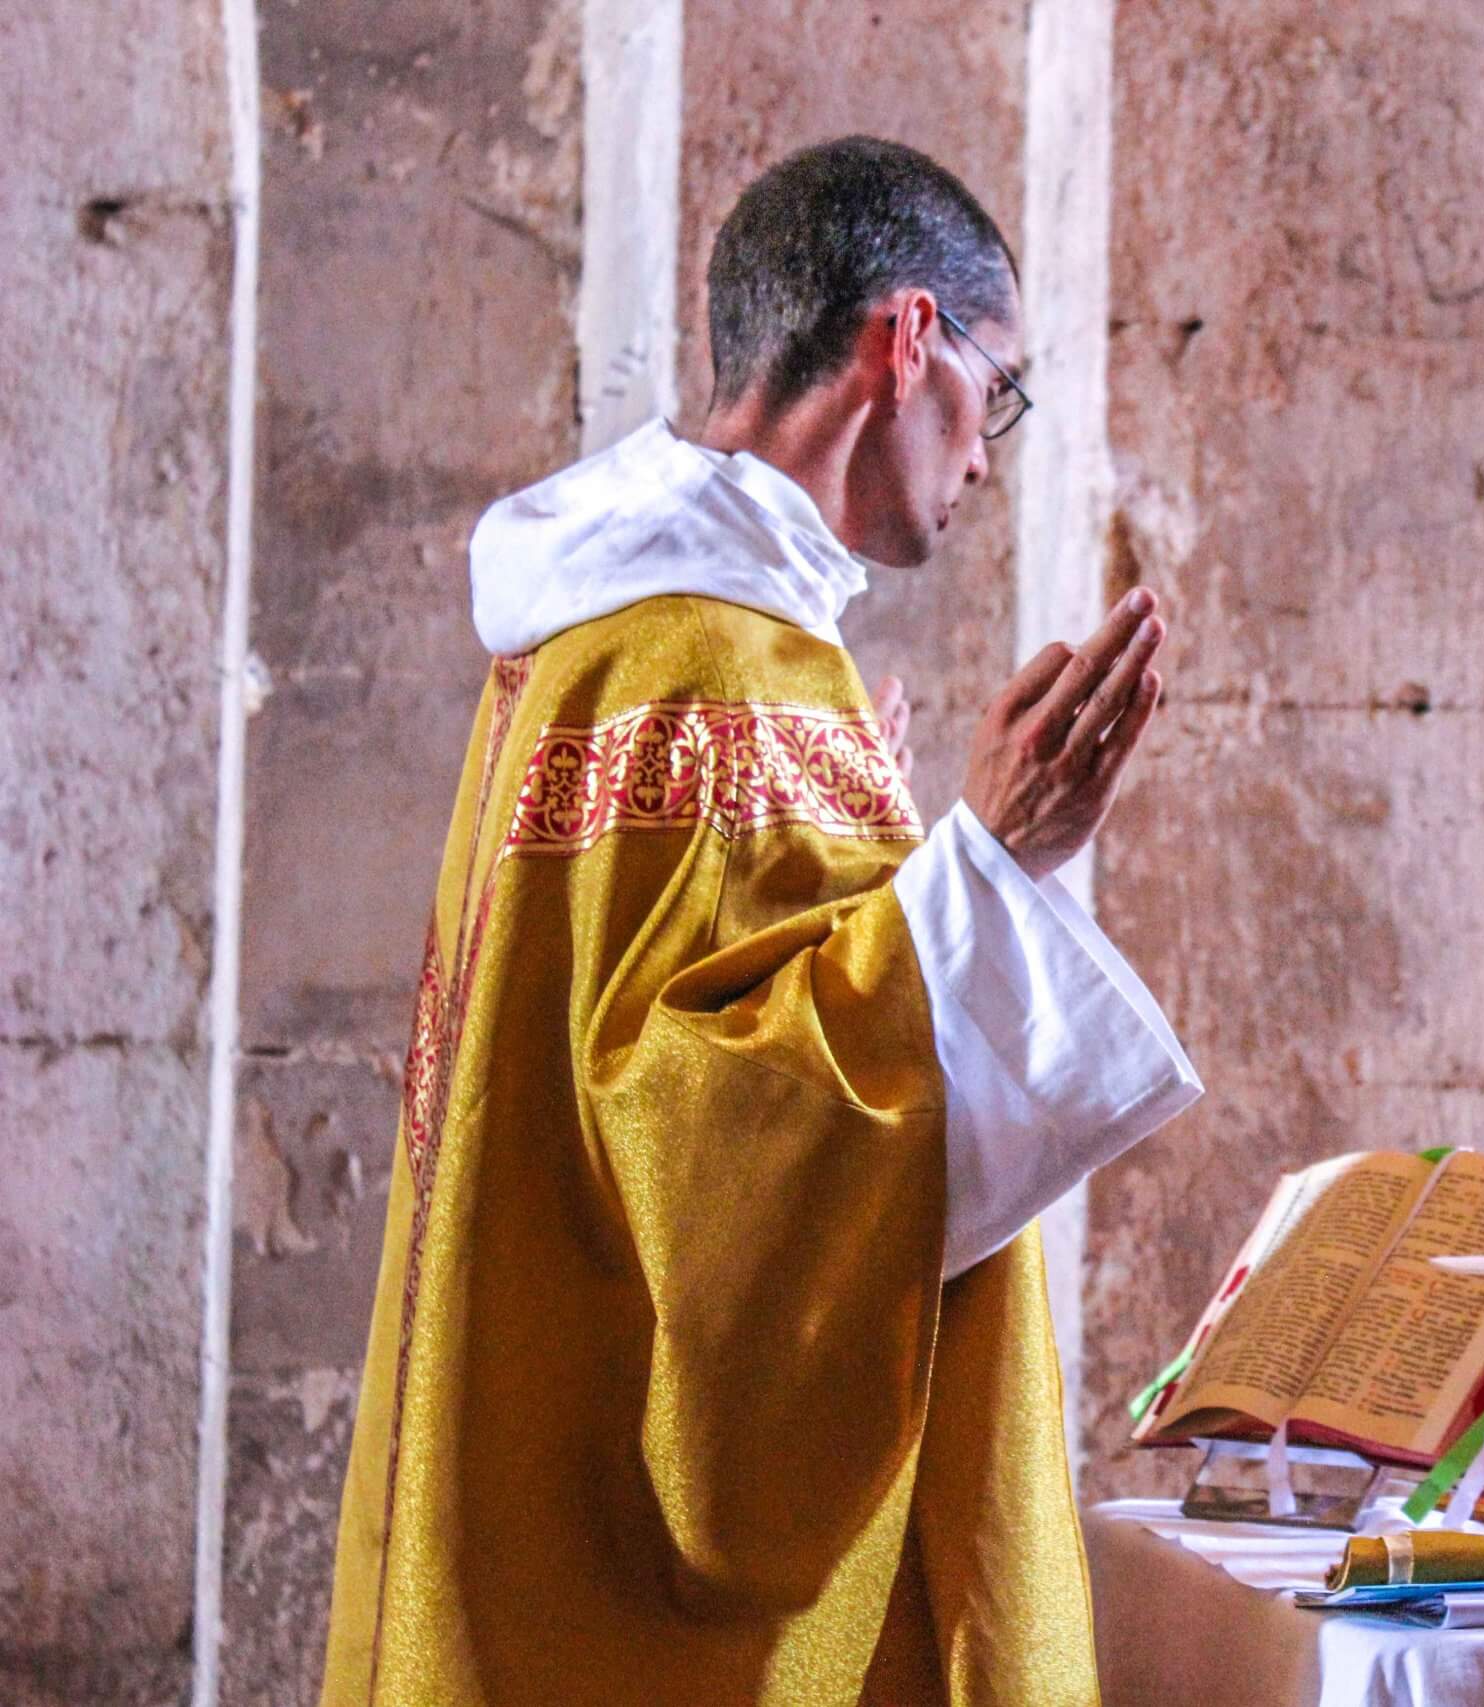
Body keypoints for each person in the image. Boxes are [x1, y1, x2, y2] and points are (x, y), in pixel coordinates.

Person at [320, 136, 1201, 1706]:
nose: (988, 455)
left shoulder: (597, 641)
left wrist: (902, 873)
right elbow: (713, 1150)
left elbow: (653, 1040)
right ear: (907, 340)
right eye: (993, 392)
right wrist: (987, 867)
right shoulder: (715, 665)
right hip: (655, 1617)